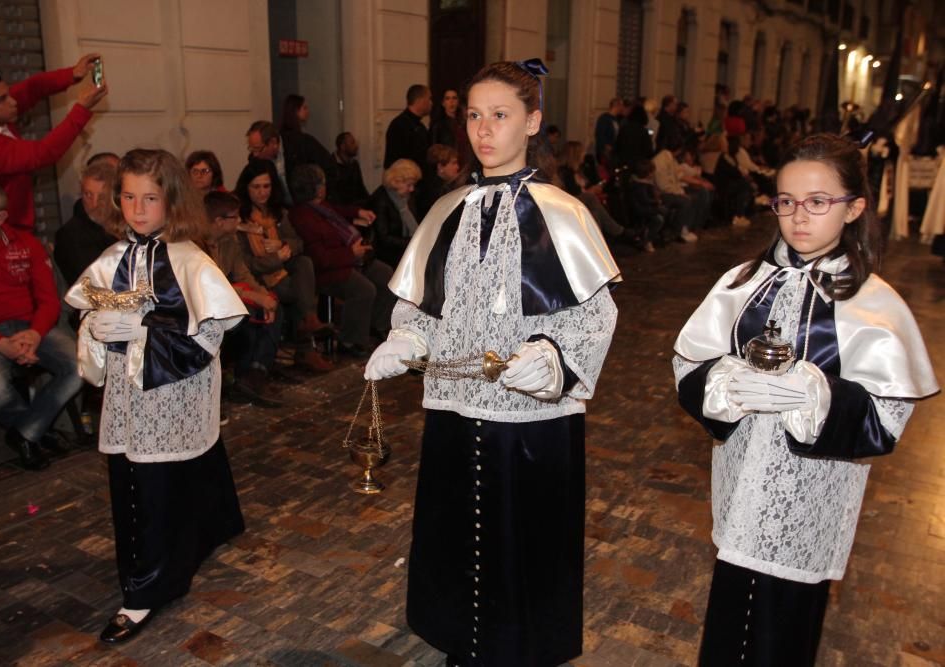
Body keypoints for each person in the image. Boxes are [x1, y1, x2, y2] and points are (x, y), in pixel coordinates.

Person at [364, 59, 621, 667]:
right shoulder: (447, 209)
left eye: (499, 115)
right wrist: (406, 341)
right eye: (474, 116)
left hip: (531, 416)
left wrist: (554, 358)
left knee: (524, 536)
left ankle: (517, 648)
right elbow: (427, 304)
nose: (484, 130)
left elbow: (594, 314)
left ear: (531, 122)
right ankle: (465, 641)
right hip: (457, 405)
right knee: (459, 528)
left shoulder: (561, 211)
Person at [672, 134, 938, 666]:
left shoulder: (873, 302)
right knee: (731, 609)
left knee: (785, 625)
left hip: (810, 495)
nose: (798, 217)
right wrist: (722, 385)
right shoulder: (741, 282)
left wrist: (818, 397)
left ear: (855, 207)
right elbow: (688, 366)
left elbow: (885, 417)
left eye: (818, 202)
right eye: (786, 202)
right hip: (741, 478)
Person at [64, 148, 247, 644]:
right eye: (127, 197)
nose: (137, 209)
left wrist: (142, 328)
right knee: (135, 484)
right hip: (129, 398)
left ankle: (145, 590)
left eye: (150, 198)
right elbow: (86, 311)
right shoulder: (111, 260)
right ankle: (157, 565)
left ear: (172, 199)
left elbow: (208, 337)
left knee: (161, 487)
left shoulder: (190, 261)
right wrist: (95, 329)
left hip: (173, 394)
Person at [0, 180, 83, 470]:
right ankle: (37, 431)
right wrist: (0, 344)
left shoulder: (27, 244)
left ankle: (26, 433)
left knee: (81, 365)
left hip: (32, 327)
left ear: (0, 217)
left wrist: (34, 333)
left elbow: (49, 301)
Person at [0, 55, 108, 232]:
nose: (13, 102)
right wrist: (82, 109)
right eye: (2, 99)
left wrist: (73, 74)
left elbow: (32, 88)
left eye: (9, 94)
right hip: (2, 230)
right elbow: (43, 153)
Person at [234, 158, 333, 373]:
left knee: (304, 263)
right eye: (256, 187)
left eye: (266, 186)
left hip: (283, 271)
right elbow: (247, 264)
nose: (262, 193)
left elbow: (299, 243)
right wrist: (277, 258)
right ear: (247, 188)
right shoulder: (240, 219)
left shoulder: (277, 213)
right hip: (259, 277)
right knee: (296, 290)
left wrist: (283, 244)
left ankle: (307, 322)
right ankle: (306, 340)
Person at [287, 164, 394, 354]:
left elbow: (338, 211)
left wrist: (357, 212)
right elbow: (319, 259)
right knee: (364, 289)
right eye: (322, 184)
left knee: (386, 276)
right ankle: (350, 341)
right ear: (316, 188)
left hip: (347, 259)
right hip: (329, 270)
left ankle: (377, 325)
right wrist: (351, 254)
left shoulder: (320, 206)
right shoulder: (302, 216)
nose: (324, 187)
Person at [203, 191, 282, 406]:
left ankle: (254, 374)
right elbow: (209, 286)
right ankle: (244, 376)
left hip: (226, 298)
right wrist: (250, 294)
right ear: (219, 221)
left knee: (272, 309)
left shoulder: (229, 240)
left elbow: (242, 273)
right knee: (245, 321)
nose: (239, 221)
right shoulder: (197, 244)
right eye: (235, 217)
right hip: (206, 307)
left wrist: (264, 294)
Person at [54, 161, 118, 287]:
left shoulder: (127, 224)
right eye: (88, 194)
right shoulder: (70, 236)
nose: (94, 204)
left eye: (102, 196)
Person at [556, 141, 624, 243]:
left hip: (582, 203)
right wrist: (591, 190)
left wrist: (594, 188)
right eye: (582, 153)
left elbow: (586, 186)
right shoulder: (565, 172)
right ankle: (617, 232)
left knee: (595, 212)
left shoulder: (579, 170)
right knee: (591, 198)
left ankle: (599, 243)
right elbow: (573, 193)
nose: (584, 155)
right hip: (571, 203)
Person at [368, 158, 423, 267]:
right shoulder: (381, 200)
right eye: (409, 185)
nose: (412, 189)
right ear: (396, 182)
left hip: (404, 247)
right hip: (387, 253)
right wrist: (411, 242)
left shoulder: (407, 197)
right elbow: (384, 238)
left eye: (413, 185)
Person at [279, 94, 335, 178]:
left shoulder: (281, 136)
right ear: (296, 111)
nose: (308, 111)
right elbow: (327, 162)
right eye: (304, 108)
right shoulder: (303, 140)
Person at [384, 84, 432, 169]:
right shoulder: (399, 125)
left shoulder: (420, 126)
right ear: (421, 101)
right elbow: (395, 160)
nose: (431, 103)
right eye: (429, 99)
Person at [246, 120, 293, 206]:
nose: (255, 154)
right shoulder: (254, 160)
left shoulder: (300, 146)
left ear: (273, 143)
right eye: (252, 149)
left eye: (258, 149)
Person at [414, 143, 460, 219]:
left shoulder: (443, 186)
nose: (457, 167)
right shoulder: (433, 191)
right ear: (440, 167)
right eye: (453, 163)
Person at [327, 132, 370, 206]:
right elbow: (333, 194)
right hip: (340, 209)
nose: (356, 146)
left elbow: (361, 188)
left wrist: (370, 201)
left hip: (355, 206)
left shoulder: (354, 164)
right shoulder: (330, 164)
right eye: (352, 143)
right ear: (343, 146)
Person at [594, 96, 625, 167]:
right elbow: (600, 134)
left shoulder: (617, 119)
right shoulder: (604, 118)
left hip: (613, 151)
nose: (623, 108)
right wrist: (606, 146)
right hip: (605, 152)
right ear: (616, 105)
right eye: (621, 105)